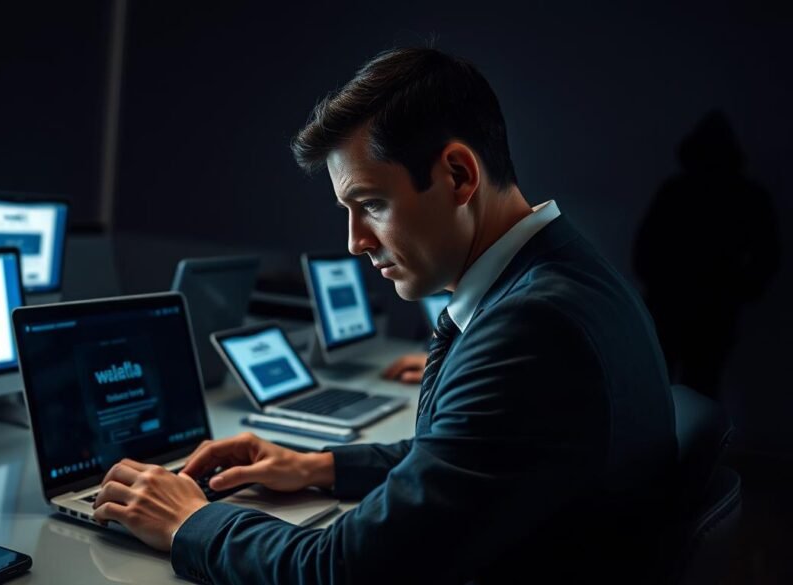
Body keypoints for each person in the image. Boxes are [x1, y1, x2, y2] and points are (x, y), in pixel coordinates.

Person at [90, 47, 678, 584]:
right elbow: (464, 455)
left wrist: (188, 521)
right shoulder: (567, 272)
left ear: (458, 175)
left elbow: (342, 571)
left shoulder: (530, 330)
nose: (355, 241)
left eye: (371, 204)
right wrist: (316, 465)